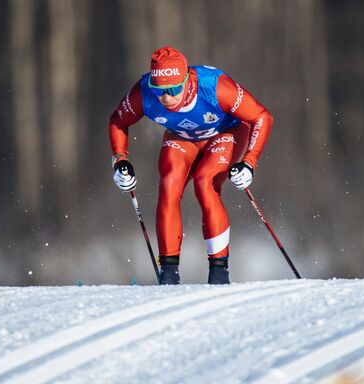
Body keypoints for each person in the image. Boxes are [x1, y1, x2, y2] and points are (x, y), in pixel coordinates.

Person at [109, 46, 273, 285]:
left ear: (187, 80)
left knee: (205, 182)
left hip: (225, 133)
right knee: (169, 182)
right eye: (160, 90)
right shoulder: (143, 93)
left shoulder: (215, 88)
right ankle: (169, 273)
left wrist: (249, 163)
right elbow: (118, 121)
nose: (166, 97)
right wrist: (120, 160)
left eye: (174, 88)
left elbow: (262, 116)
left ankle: (218, 273)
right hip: (182, 137)